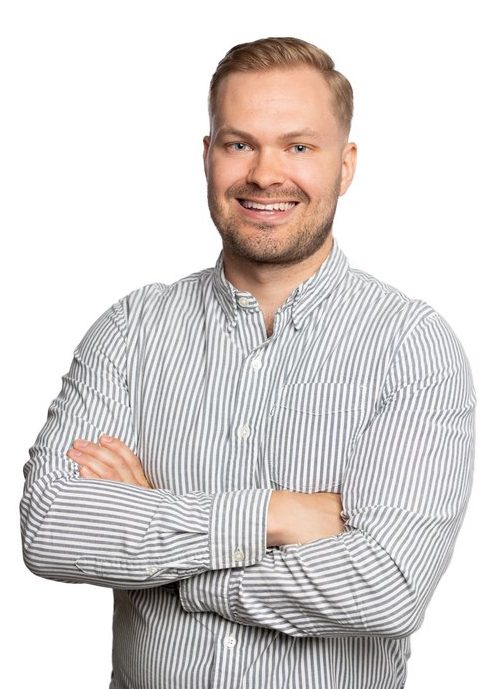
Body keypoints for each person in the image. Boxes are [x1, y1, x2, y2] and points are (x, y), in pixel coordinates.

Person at [20, 37, 475, 689]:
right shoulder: (132, 328)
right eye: (239, 144)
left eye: (298, 146)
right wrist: (277, 513)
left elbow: (388, 586)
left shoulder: (411, 344)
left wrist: (165, 534)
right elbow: (51, 526)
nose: (266, 174)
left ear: (344, 165)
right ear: (207, 157)